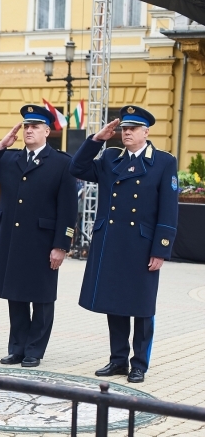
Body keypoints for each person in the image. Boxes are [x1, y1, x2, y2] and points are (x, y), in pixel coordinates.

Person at [69, 106, 178, 383]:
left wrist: (161, 249)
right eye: (123, 129)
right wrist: (97, 139)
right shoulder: (109, 157)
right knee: (114, 302)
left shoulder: (163, 162)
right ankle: (117, 360)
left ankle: (139, 364)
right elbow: (77, 168)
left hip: (142, 245)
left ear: (146, 132)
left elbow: (168, 209)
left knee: (141, 306)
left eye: (132, 129)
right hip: (112, 242)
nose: (126, 133)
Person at [0, 104, 78, 368]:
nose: (29, 130)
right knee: (16, 295)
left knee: (42, 298)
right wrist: (0, 146)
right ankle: (17, 348)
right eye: (26, 126)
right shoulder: (9, 158)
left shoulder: (62, 163)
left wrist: (61, 245)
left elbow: (68, 210)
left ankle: (34, 350)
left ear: (47, 131)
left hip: (42, 242)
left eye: (35, 126)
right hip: (12, 240)